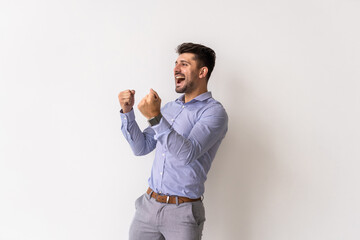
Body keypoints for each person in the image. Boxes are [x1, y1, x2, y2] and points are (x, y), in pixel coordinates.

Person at [118, 42, 228, 240]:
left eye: (184, 64)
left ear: (202, 72)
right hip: (148, 207)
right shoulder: (168, 108)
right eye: (176, 63)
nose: (176, 69)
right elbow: (141, 147)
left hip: (183, 213)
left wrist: (154, 117)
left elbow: (188, 153)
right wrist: (127, 112)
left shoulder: (214, 112)